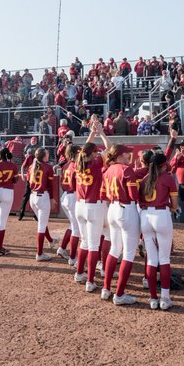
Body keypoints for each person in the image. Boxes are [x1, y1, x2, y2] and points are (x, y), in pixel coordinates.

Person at [136, 149, 178, 310]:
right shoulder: (167, 178)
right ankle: (165, 298)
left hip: (145, 217)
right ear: (163, 165)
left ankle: (153, 298)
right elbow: (174, 205)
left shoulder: (144, 178)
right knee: (164, 259)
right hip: (161, 215)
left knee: (151, 259)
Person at [98, 142, 140, 305]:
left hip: (113, 209)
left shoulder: (108, 169)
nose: (129, 156)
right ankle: (120, 295)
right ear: (120, 155)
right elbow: (134, 195)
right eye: (126, 154)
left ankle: (106, 288)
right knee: (129, 253)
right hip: (126, 209)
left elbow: (103, 195)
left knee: (115, 250)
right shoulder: (126, 169)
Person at [73, 119, 107, 291]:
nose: (96, 154)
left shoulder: (78, 163)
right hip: (94, 206)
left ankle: (80, 273)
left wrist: (92, 134)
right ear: (92, 153)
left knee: (85, 242)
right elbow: (110, 149)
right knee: (93, 245)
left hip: (79, 205)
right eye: (95, 152)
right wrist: (101, 133)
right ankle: (90, 281)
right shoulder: (95, 163)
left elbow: (84, 151)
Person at [27, 147, 59, 262]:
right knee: (41, 225)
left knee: (42, 222)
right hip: (43, 196)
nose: (48, 155)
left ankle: (50, 240)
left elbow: (28, 182)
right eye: (47, 154)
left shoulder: (32, 166)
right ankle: (39, 254)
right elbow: (50, 185)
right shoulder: (48, 167)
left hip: (33, 197)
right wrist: (51, 198)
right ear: (43, 156)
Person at [55, 145, 80, 263]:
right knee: (76, 229)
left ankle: (62, 248)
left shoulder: (65, 164)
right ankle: (73, 257)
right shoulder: (75, 164)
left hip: (65, 195)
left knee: (73, 226)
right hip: (72, 196)